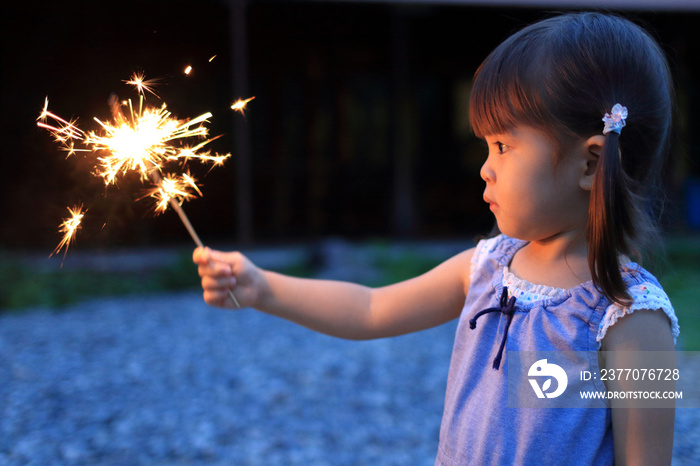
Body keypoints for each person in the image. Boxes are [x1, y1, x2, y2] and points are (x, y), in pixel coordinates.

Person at [194, 12, 680, 465]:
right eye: (486, 146)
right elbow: (370, 309)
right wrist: (262, 288)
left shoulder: (631, 316)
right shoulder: (488, 268)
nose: (486, 168)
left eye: (503, 146)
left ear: (590, 162)